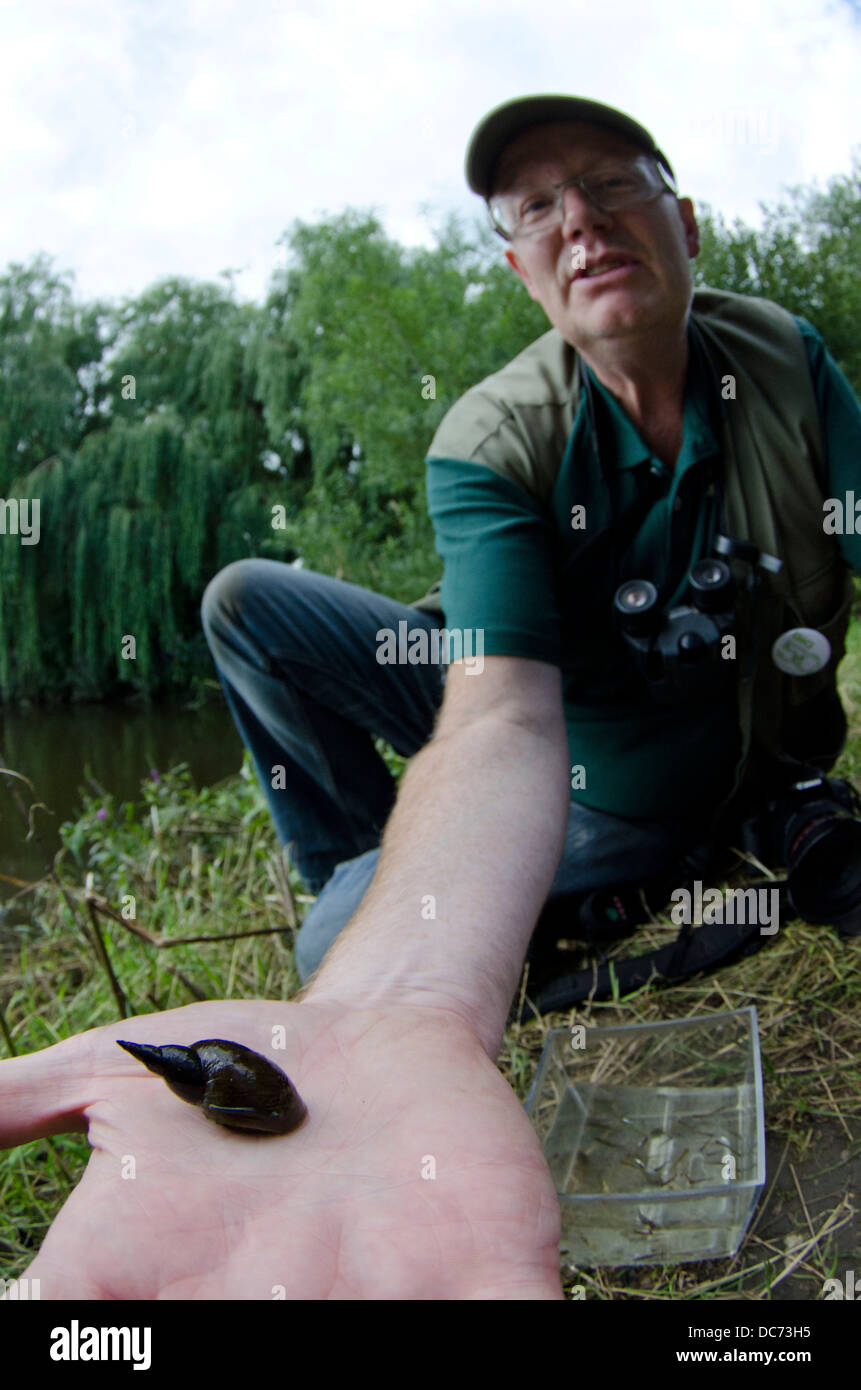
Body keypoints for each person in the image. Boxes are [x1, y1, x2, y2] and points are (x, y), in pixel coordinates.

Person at [1, 95, 858, 1302]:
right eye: (540, 208)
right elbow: (501, 707)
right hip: (541, 711)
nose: (584, 222)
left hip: (664, 767)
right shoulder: (494, 434)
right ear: (520, 269)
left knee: (320, 948)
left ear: (689, 222)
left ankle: (731, 830)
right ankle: (366, 875)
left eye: (617, 185)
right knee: (249, 602)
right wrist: (394, 996)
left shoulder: (781, 356)